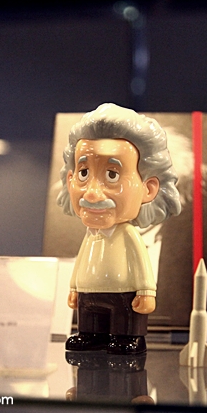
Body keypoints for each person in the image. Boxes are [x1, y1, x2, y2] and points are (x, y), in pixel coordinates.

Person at [57, 103, 181, 354]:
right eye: (83, 173)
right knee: (89, 320)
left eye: (112, 175)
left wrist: (146, 292)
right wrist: (74, 288)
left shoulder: (128, 235)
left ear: (148, 188)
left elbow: (141, 264)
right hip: (89, 292)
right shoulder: (90, 235)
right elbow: (81, 261)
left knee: (124, 320)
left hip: (123, 294)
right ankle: (90, 334)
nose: (92, 193)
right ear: (70, 180)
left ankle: (127, 338)